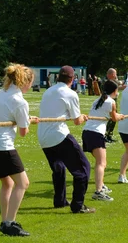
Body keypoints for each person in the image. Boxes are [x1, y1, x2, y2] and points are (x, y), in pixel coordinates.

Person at [0, 64, 36, 236]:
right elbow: (23, 132)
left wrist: (25, 119)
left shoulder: (1, 93)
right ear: (25, 82)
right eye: (31, 83)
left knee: (8, 183)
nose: (31, 86)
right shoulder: (20, 101)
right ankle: (10, 223)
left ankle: (5, 222)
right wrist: (28, 122)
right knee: (23, 183)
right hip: (2, 147)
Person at [38, 65, 95, 214]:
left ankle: (60, 201)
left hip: (43, 136)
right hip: (58, 135)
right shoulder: (70, 94)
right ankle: (77, 205)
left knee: (59, 168)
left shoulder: (48, 91)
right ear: (72, 79)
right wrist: (82, 117)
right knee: (83, 169)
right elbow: (77, 120)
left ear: (58, 77)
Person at [82, 80, 124, 201]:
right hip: (95, 133)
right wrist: (120, 116)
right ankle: (98, 192)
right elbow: (114, 118)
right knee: (101, 163)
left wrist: (117, 116)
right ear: (114, 91)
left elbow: (110, 115)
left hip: (87, 132)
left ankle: (101, 185)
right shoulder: (111, 102)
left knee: (101, 162)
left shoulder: (98, 100)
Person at [104, 68, 126, 143]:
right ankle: (105, 135)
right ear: (112, 74)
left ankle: (109, 135)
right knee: (109, 119)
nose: (116, 75)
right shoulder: (106, 83)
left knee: (114, 120)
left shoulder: (114, 82)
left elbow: (117, 86)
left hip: (114, 102)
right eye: (115, 74)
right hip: (108, 103)